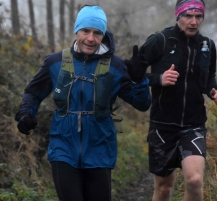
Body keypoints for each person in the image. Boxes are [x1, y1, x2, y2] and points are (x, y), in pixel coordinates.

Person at [15, 5, 151, 201]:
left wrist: (139, 80)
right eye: (86, 31)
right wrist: (26, 113)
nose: (90, 38)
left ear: (103, 35)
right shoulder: (55, 62)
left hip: (100, 150)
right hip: (63, 148)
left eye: (97, 33)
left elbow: (142, 103)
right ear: (76, 30)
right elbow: (33, 92)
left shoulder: (115, 65)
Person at [126, 0, 217, 200]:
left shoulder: (207, 45)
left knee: (195, 180)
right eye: (188, 16)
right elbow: (133, 74)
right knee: (163, 189)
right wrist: (159, 79)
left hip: (193, 125)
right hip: (163, 126)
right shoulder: (160, 40)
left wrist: (213, 91)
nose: (193, 22)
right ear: (178, 16)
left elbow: (208, 77)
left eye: (198, 17)